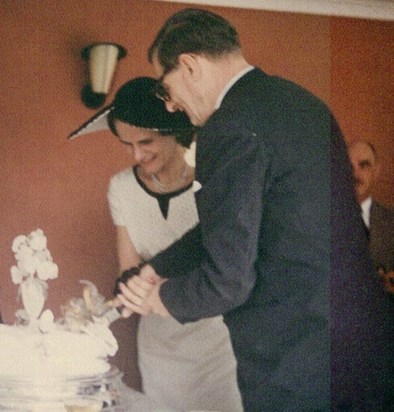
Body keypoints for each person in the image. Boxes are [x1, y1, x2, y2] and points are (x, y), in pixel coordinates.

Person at [116, 9, 394, 411]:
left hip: (298, 362)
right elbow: (229, 224)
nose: (171, 105)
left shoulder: (227, 128)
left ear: (190, 65)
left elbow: (227, 282)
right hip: (364, 348)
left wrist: (157, 299)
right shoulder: (305, 105)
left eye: (165, 85)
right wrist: (158, 267)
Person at [70, 77, 243, 411]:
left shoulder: (210, 186)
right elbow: (129, 272)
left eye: (146, 142)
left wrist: (152, 287)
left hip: (216, 344)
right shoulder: (121, 188)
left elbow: (223, 268)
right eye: (127, 144)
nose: (136, 154)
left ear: (172, 133)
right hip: (158, 344)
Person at [348, 139, 394, 294]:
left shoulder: (391, 223)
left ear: (377, 171)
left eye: (364, 165)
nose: (355, 174)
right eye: (349, 167)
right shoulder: (322, 220)